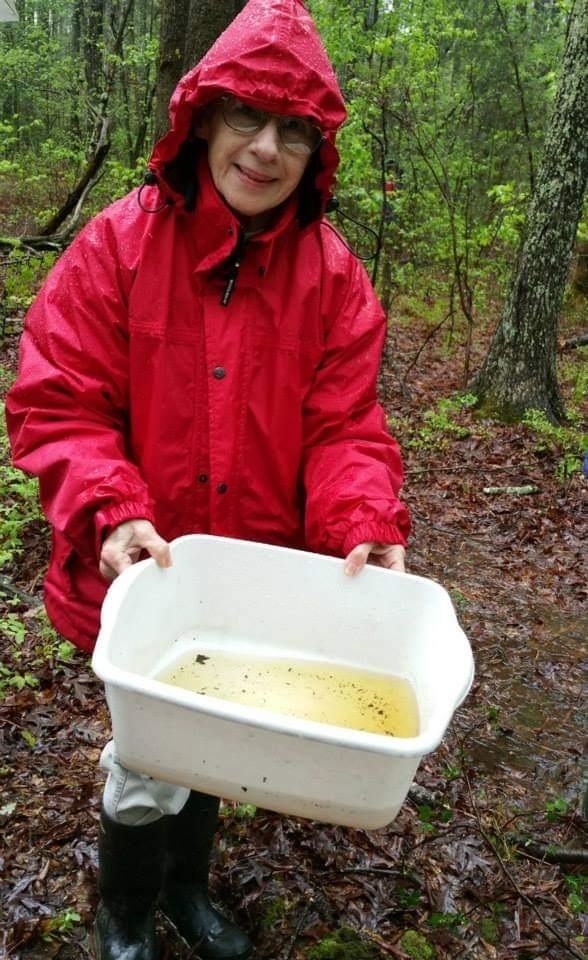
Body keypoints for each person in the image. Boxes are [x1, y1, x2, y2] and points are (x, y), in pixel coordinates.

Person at [6, 1, 410, 957]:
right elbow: (58, 403)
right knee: (149, 762)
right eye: (246, 120)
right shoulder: (116, 246)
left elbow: (345, 425)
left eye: (294, 132)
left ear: (318, 151)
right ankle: (127, 916)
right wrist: (109, 511)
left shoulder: (335, 279)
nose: (265, 151)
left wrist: (361, 514)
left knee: (221, 750)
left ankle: (190, 893)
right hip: (151, 569)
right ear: (202, 119)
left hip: (255, 580)